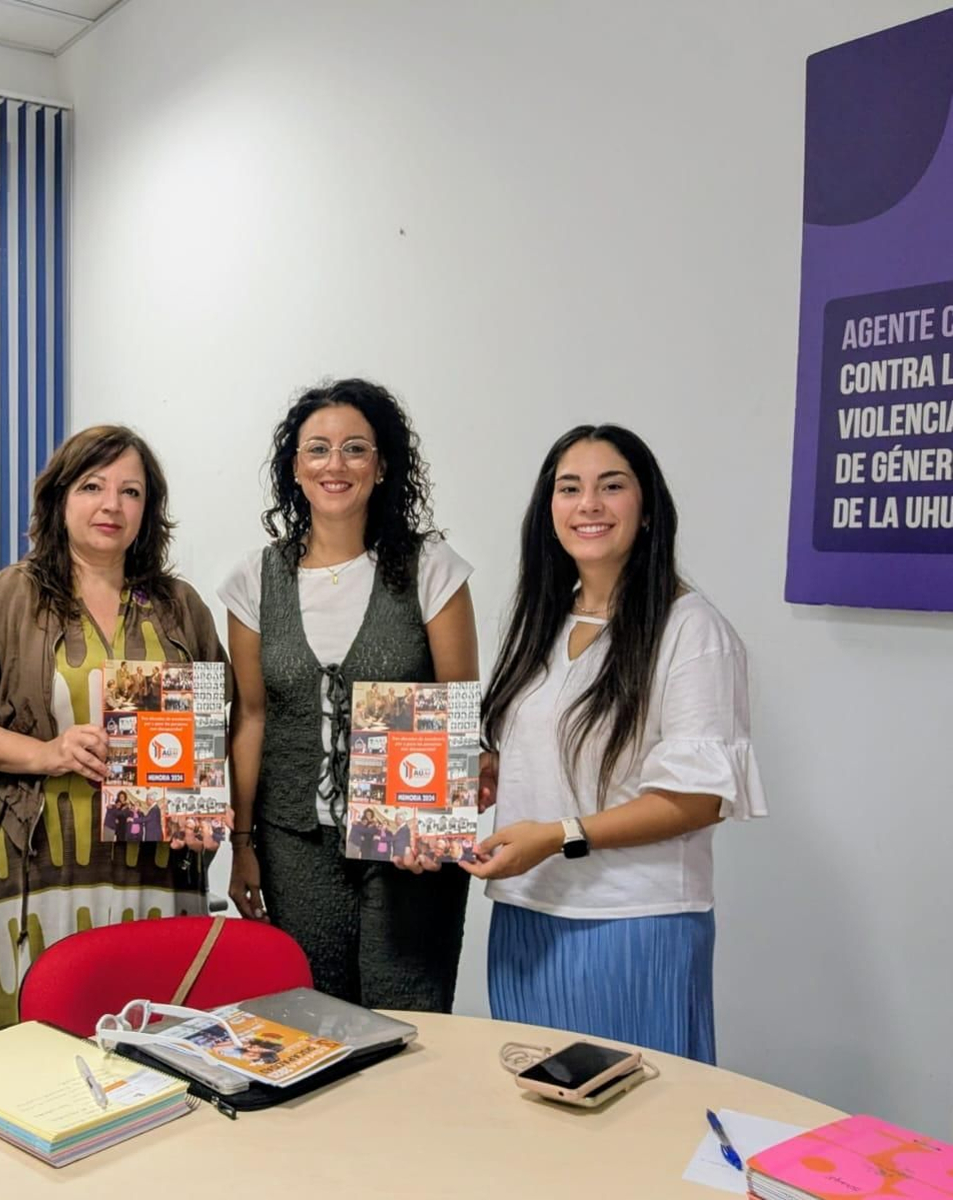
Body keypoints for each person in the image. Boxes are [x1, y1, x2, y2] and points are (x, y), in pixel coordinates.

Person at [464, 424, 767, 1064]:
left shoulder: (692, 629)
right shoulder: (541, 618)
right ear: (549, 510)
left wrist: (556, 835)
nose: (589, 505)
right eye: (569, 488)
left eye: (612, 487)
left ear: (648, 509)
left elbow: (697, 800)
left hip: (635, 922)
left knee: (639, 1131)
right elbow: (549, 745)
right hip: (527, 915)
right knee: (538, 1124)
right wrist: (491, 768)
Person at [0, 425, 227, 1034]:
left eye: (131, 492)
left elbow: (216, 724)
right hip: (34, 866)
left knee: (151, 1044)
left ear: (149, 511)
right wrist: (46, 752)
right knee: (34, 1051)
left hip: (157, 867)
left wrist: (212, 815)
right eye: (93, 486)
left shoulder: (180, 607)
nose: (111, 505)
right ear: (60, 498)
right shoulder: (6, 599)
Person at [220, 378, 479, 1011]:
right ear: (295, 468)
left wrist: (434, 828)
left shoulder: (433, 568)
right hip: (293, 844)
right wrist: (243, 846)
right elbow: (251, 717)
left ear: (383, 465)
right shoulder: (254, 579)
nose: (335, 465)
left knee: (409, 1021)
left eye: (355, 449)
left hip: (409, 852)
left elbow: (456, 711)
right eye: (318, 449)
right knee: (313, 1023)